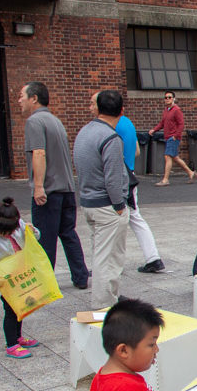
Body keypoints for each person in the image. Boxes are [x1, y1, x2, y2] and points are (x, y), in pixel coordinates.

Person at [20, 81, 90, 289]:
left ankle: (44, 284)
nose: (19, 100)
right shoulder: (55, 121)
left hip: (49, 190)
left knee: (45, 238)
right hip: (66, 188)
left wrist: (39, 186)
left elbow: (39, 153)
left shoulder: (34, 122)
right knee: (68, 233)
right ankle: (80, 276)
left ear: (34, 98)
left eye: (22, 95)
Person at [74, 90, 130, 309]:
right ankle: (103, 304)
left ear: (97, 108)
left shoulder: (85, 132)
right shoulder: (111, 138)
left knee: (101, 254)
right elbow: (113, 178)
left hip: (89, 201)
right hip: (107, 205)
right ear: (122, 111)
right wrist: (119, 206)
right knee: (109, 259)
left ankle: (111, 297)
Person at [0, 198, 43, 358]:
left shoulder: (18, 225)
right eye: (3, 233)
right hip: (6, 278)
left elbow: (36, 237)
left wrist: (33, 231)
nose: (8, 234)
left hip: (21, 273)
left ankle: (18, 337)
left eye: (10, 231)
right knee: (11, 310)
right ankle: (11, 344)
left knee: (21, 307)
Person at [113, 101, 164, 273]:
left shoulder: (112, 127)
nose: (91, 108)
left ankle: (111, 263)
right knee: (135, 217)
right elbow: (136, 151)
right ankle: (153, 257)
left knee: (114, 221)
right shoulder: (128, 123)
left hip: (119, 178)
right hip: (130, 176)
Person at [150, 91, 196, 186]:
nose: (167, 99)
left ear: (173, 99)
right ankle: (190, 173)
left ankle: (165, 179)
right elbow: (162, 123)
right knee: (175, 157)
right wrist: (154, 130)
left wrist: (176, 135)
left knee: (167, 156)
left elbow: (181, 124)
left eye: (169, 97)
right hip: (168, 137)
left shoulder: (176, 110)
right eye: (166, 97)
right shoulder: (166, 110)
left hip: (173, 137)